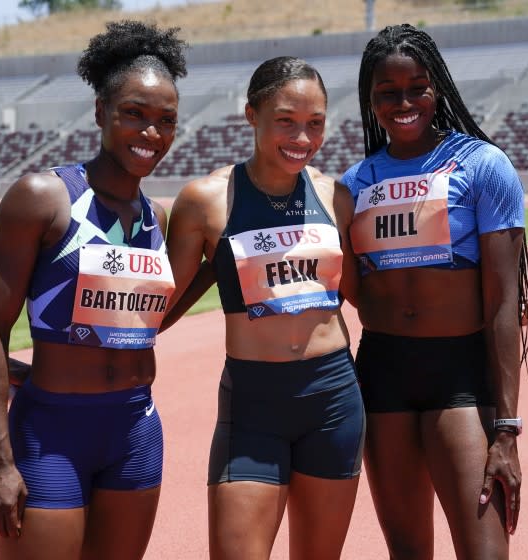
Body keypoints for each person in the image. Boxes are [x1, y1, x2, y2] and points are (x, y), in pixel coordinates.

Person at [0, 21, 187, 560]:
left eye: (165, 121)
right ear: (100, 113)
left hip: (135, 427)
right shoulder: (44, 198)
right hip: (52, 432)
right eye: (134, 113)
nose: (151, 133)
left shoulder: (155, 217)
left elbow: (146, 320)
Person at [339, 24, 528, 559]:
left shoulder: (483, 166)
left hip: (461, 375)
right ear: (370, 99)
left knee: (484, 551)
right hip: (382, 374)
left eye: (417, 87)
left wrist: (507, 429)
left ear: (438, 88)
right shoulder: (354, 182)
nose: (403, 102)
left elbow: (502, 305)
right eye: (387, 92)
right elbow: (354, 286)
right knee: (407, 552)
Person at [163, 56, 365, 560]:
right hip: (253, 403)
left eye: (315, 124)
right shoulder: (205, 201)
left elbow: (360, 293)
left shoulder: (335, 195)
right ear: (251, 114)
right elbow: (154, 309)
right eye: (286, 121)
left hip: (333, 397)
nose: (302, 137)